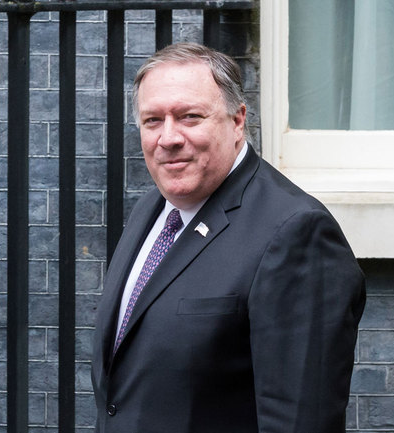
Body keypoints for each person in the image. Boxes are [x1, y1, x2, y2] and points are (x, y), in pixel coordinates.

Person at [91, 42, 366, 433]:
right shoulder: (154, 209)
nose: (168, 138)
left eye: (189, 116)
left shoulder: (295, 233)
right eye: (153, 120)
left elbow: (300, 420)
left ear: (238, 121)